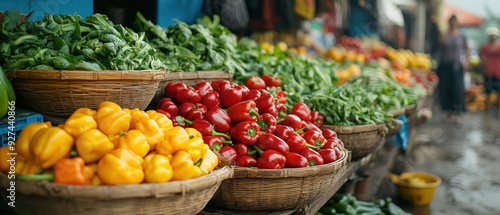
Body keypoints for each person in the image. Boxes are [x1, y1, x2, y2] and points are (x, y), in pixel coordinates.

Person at [436, 15, 469, 124]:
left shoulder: (462, 36)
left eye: (454, 21)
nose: (453, 24)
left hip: (456, 66)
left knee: (458, 90)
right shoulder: (445, 35)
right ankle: (448, 112)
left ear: (457, 23)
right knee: (446, 89)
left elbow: (466, 48)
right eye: (451, 22)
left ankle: (458, 114)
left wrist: (466, 61)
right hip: (445, 66)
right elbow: (439, 46)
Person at [479, 27, 500, 116]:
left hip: (498, 72)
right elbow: (482, 58)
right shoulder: (485, 47)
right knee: (488, 92)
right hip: (488, 72)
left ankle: (498, 110)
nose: (492, 37)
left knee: (498, 92)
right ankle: (488, 110)